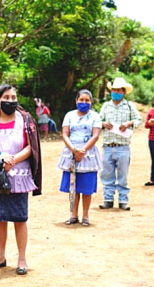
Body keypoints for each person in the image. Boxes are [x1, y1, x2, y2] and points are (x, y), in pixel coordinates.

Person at [0, 84, 42, 275]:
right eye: (6, 97)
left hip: (19, 175)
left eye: (13, 97)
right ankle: (0, 256)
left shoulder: (25, 120)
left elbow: (30, 147)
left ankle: (22, 259)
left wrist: (13, 160)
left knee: (19, 218)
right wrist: (1, 158)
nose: (10, 101)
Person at [58, 89, 102, 225]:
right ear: (76, 100)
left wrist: (83, 150)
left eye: (87, 100)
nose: (84, 103)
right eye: (81, 100)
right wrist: (74, 150)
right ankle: (73, 215)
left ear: (91, 102)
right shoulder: (69, 115)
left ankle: (86, 216)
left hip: (88, 155)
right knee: (74, 186)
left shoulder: (95, 116)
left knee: (87, 188)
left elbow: (95, 135)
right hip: (71, 153)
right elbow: (65, 134)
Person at [98, 77, 142, 211]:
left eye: (118, 90)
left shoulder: (129, 106)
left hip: (123, 147)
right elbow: (97, 122)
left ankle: (123, 201)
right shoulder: (106, 106)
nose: (116, 92)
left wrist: (129, 123)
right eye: (114, 90)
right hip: (107, 146)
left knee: (123, 176)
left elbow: (139, 120)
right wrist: (103, 124)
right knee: (107, 175)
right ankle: (108, 199)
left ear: (124, 92)